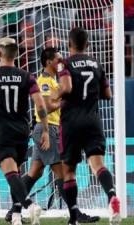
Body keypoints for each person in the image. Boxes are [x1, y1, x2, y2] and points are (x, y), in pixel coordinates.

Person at [4, 47, 99, 224]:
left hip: (48, 129)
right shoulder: (44, 81)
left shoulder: (53, 80)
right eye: (58, 59)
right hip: (48, 129)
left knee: (34, 173)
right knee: (62, 174)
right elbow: (46, 107)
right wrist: (66, 102)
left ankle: (14, 209)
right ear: (48, 62)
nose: (61, 62)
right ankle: (75, 214)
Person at [0, 37, 48, 225]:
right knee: (17, 172)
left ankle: (30, 205)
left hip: (3, 130)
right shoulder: (27, 77)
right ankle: (16, 216)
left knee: (11, 174)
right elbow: (40, 104)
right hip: (22, 130)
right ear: (16, 55)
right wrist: (45, 129)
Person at [52, 27, 120, 225]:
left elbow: (66, 88)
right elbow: (108, 95)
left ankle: (73, 219)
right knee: (98, 166)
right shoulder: (96, 64)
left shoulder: (63, 63)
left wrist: (53, 96)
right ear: (87, 44)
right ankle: (112, 196)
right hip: (93, 121)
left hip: (71, 121)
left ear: (69, 44)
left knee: (69, 171)